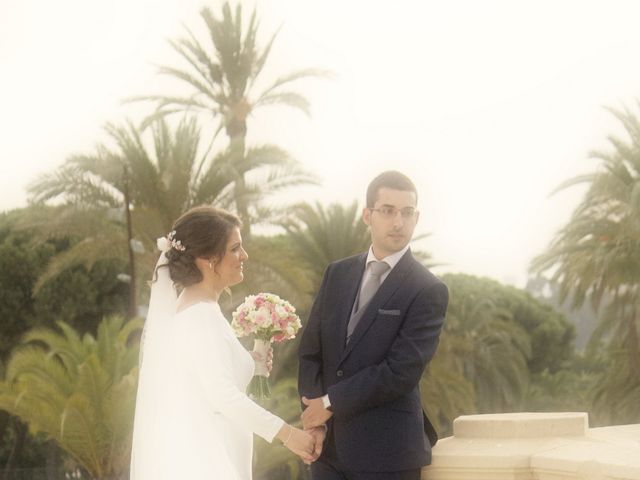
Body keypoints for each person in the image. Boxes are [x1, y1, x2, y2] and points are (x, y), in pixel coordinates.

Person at [130, 206, 317, 479]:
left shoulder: (201, 309)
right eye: (235, 249)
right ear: (208, 258)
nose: (244, 256)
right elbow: (223, 396)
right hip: (207, 461)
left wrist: (256, 366)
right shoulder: (199, 316)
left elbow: (215, 388)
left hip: (221, 453)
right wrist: (288, 435)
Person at [298, 171, 449, 480]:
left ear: (416, 218)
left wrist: (330, 402)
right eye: (388, 210)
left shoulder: (427, 289)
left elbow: (401, 371)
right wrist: (315, 422)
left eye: (407, 213)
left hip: (388, 455)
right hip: (327, 452)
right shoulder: (336, 274)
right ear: (368, 215)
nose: (398, 222)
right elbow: (311, 351)